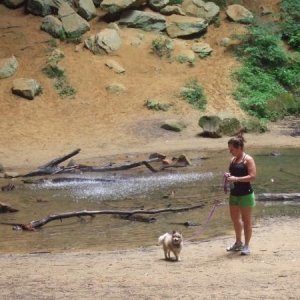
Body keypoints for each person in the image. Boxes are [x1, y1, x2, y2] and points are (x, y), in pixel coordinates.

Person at [225, 134, 256, 255]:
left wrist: (236, 179)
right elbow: (233, 174)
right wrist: (228, 176)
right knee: (235, 220)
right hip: (234, 194)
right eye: (229, 149)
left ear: (239, 148)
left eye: (232, 149)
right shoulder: (232, 160)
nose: (230, 151)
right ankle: (238, 243)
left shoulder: (248, 159)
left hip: (246, 194)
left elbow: (252, 177)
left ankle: (247, 246)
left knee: (246, 220)